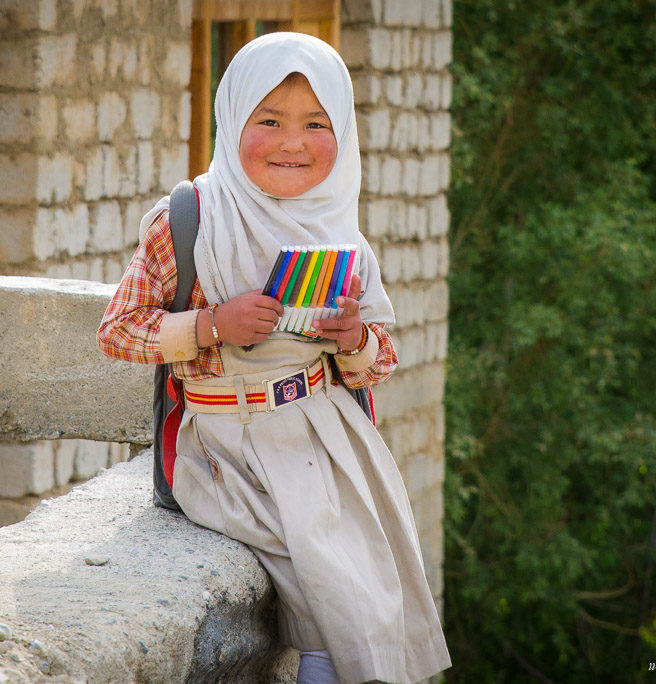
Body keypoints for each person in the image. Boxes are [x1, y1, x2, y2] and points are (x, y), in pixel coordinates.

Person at [97, 32, 450, 684]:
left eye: (316, 124)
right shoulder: (188, 220)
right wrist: (210, 324)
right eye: (270, 121)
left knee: (371, 585)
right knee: (327, 581)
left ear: (342, 131)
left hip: (327, 443)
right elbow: (118, 331)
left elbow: (378, 363)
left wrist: (352, 340)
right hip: (225, 447)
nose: (294, 142)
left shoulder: (341, 232)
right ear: (232, 119)